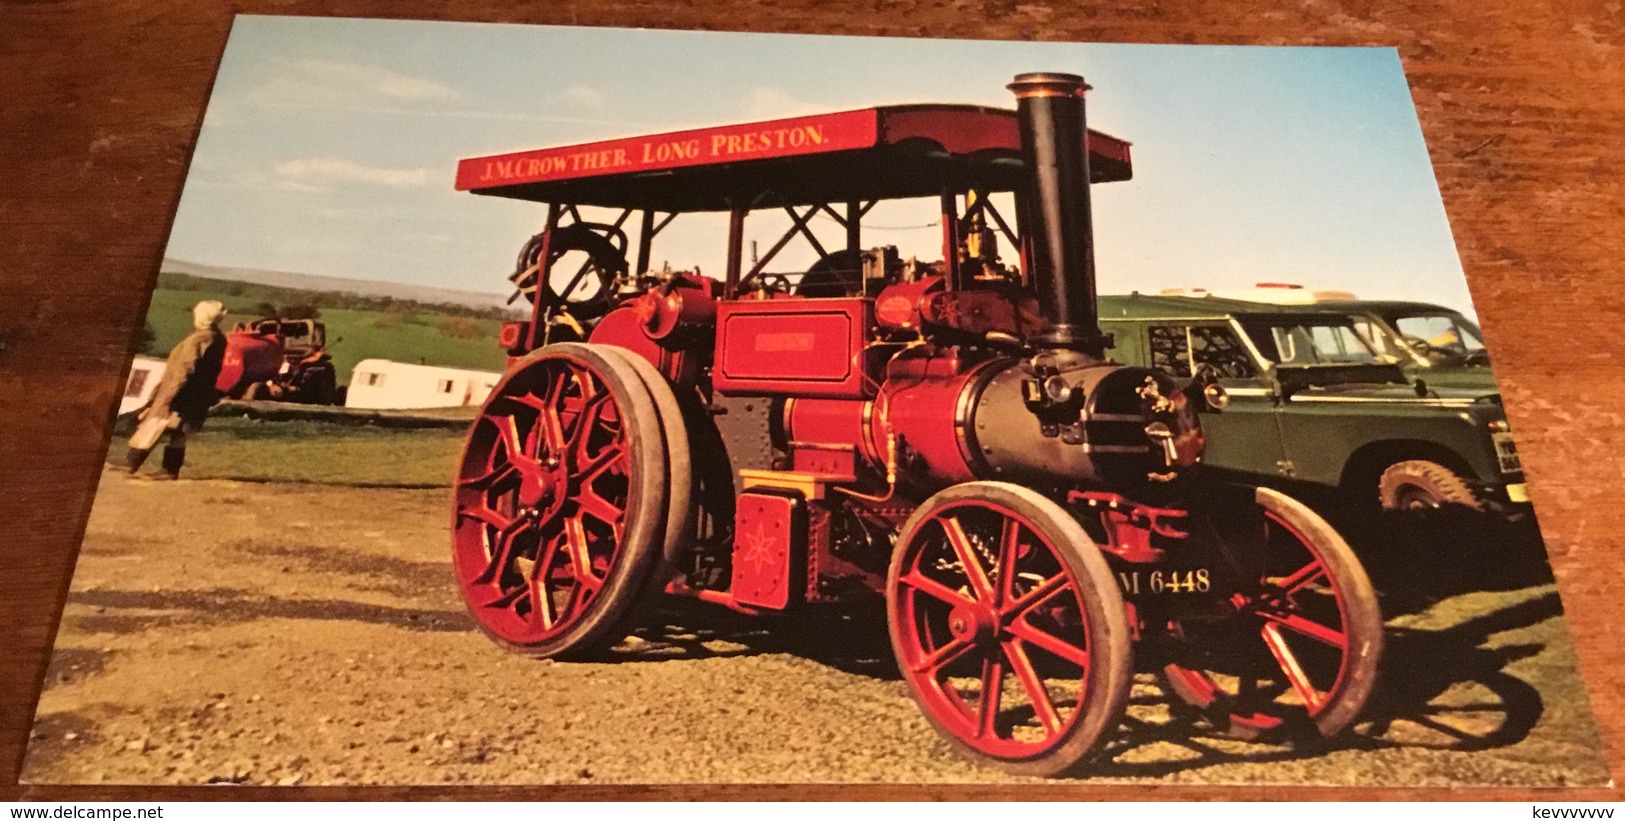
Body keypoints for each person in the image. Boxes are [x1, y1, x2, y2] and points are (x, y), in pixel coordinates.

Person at [126, 300, 229, 480]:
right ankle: (165, 469)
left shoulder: (201, 338)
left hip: (183, 391)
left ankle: (142, 466)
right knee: (177, 431)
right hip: (196, 392)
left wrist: (170, 394)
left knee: (155, 425)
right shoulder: (217, 337)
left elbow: (185, 368)